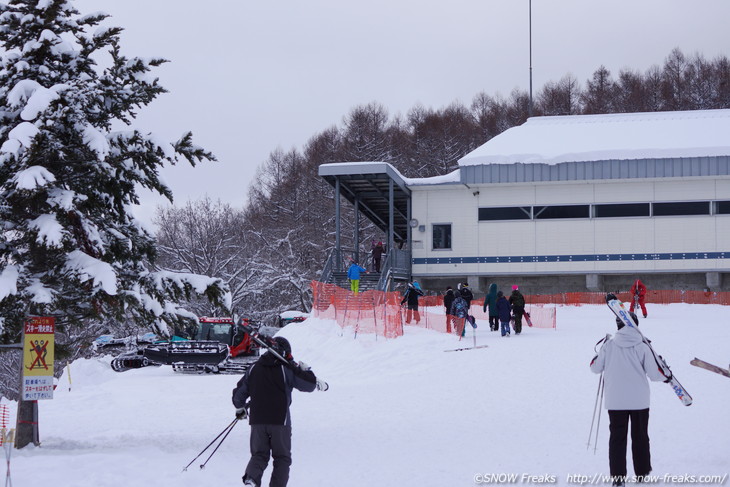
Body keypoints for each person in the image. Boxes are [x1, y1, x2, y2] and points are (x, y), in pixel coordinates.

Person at [232, 336, 327, 487]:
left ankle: (251, 479)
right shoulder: (287, 368)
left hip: (257, 421)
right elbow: (307, 385)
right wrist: (307, 371)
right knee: (282, 458)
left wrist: (240, 406)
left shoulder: (254, 367)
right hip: (280, 421)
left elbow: (240, 393)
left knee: (259, 455)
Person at [589, 311, 668, 486]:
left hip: (615, 401)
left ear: (618, 325)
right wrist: (666, 375)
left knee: (617, 439)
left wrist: (597, 355)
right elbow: (655, 375)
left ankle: (618, 479)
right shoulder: (643, 346)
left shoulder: (608, 345)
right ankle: (642, 474)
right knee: (640, 436)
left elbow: (595, 368)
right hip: (639, 401)